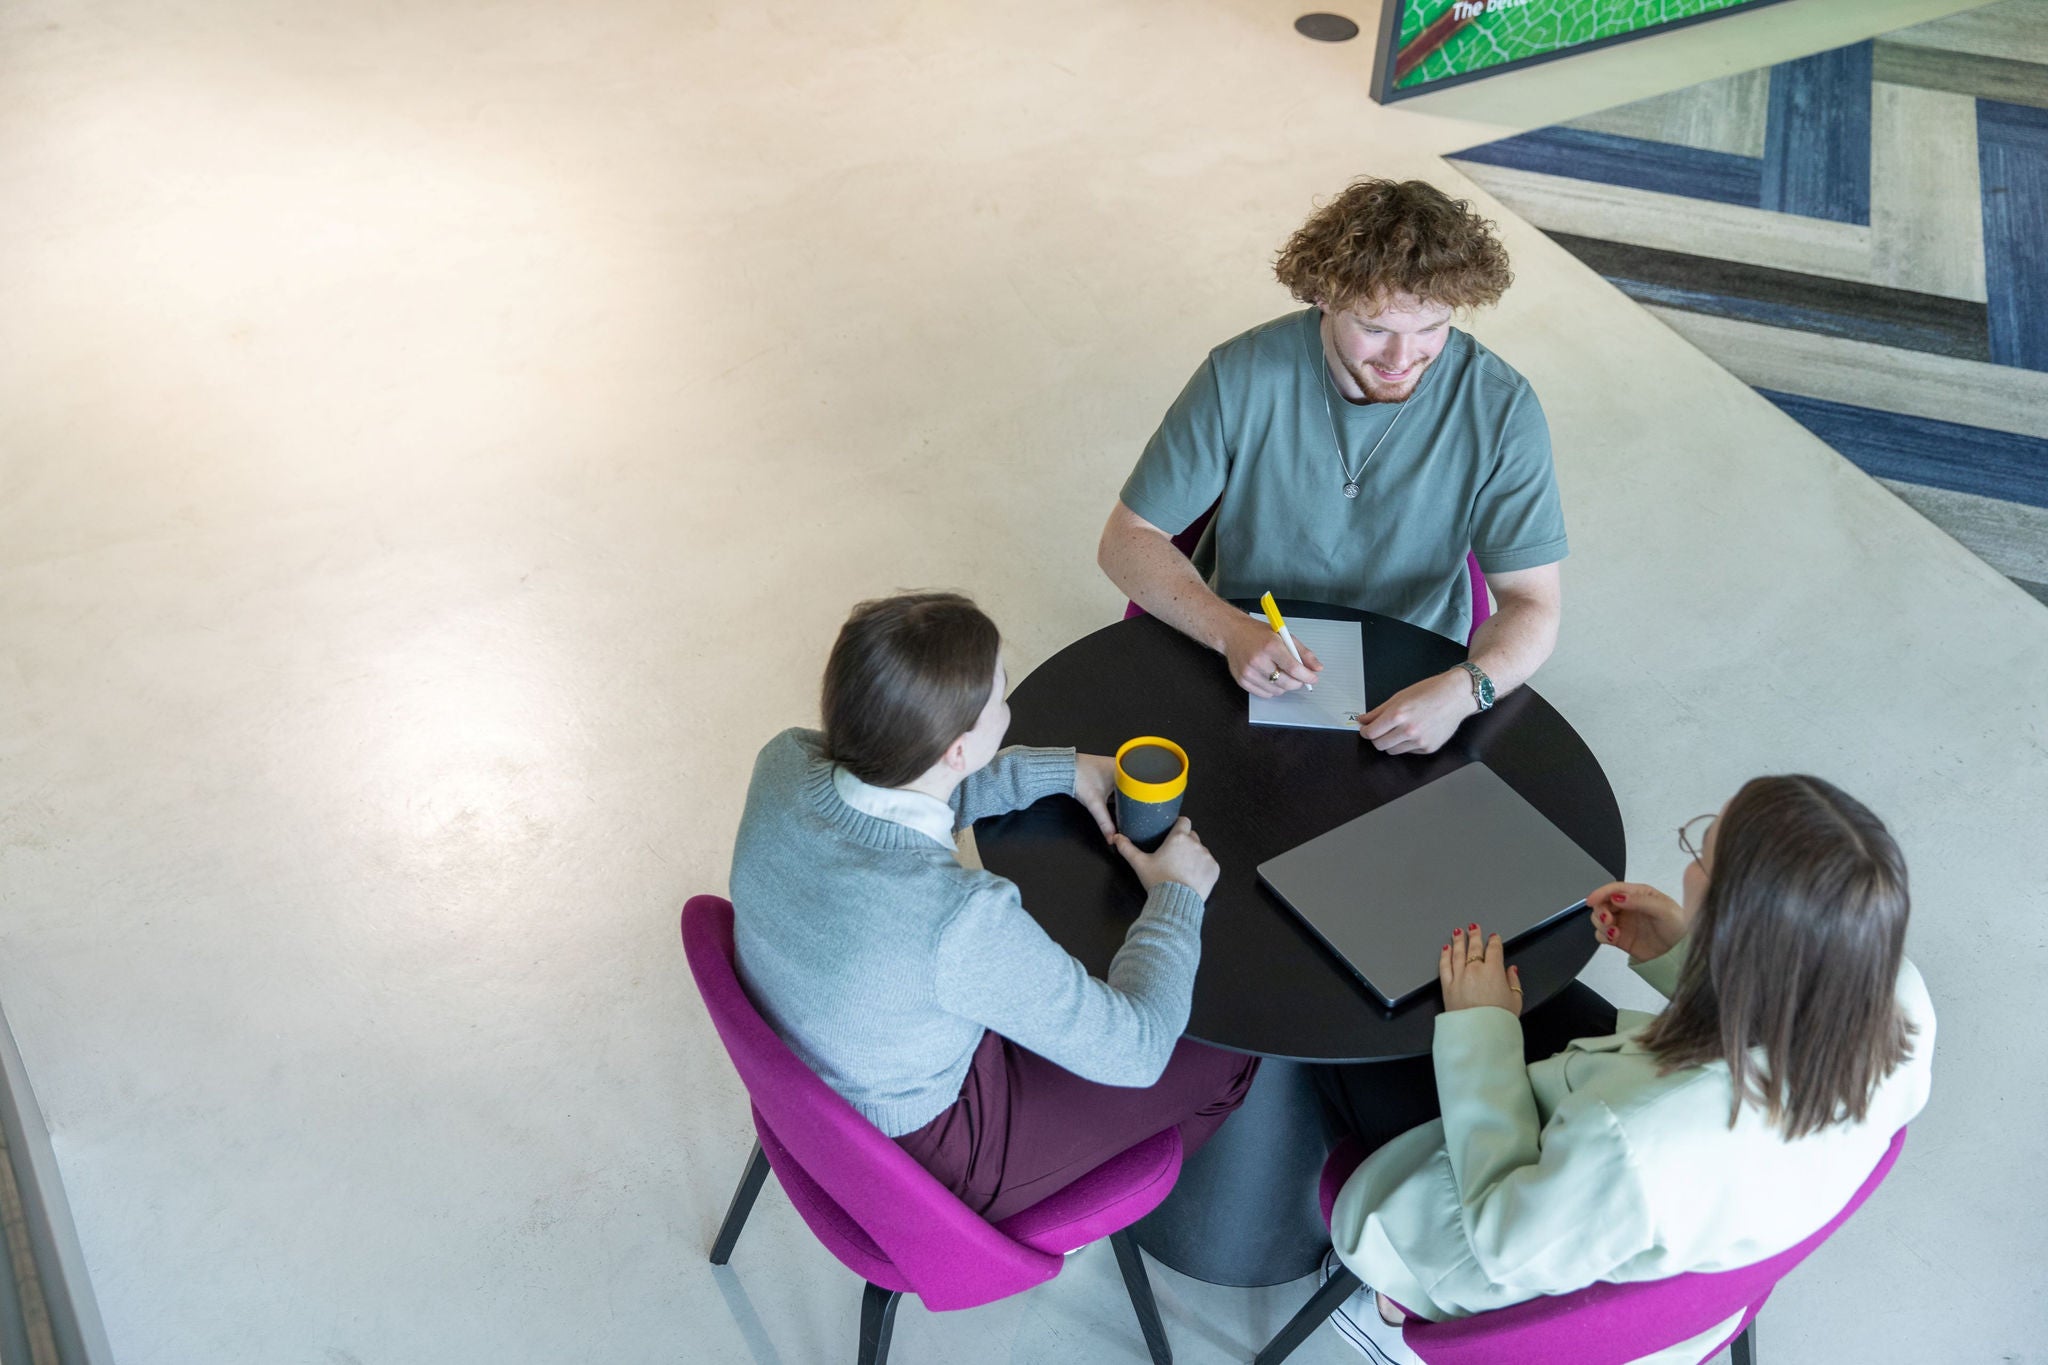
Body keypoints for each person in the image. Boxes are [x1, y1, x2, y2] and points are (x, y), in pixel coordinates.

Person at [1314, 775, 1935, 1364]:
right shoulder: (1899, 999)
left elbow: (1503, 1237)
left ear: (1738, 924)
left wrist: (1482, 1028)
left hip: (1509, 1239)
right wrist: (1686, 957)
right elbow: (1779, 1025)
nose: (1690, 864)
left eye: (1704, 849)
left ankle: (1393, 1316)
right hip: (1677, 1217)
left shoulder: (1638, 1138)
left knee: (1352, 1026)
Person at [728, 591, 1258, 1222]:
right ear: (957, 749)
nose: (1006, 710)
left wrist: (1060, 771)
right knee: (1231, 1053)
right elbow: (1136, 1051)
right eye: (999, 702)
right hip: (929, 1154)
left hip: (824, 1068)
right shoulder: (956, 920)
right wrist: (1176, 895)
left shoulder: (785, 759)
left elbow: (889, 794)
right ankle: (1091, 1210)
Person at [1097, 177, 1567, 756]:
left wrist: (1466, 690)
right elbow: (1127, 539)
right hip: (1247, 649)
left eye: (1431, 328)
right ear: (1323, 295)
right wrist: (1231, 631)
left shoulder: (1502, 408)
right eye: (1375, 329)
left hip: (1418, 668)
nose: (1402, 359)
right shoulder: (1239, 374)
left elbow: (1533, 602)